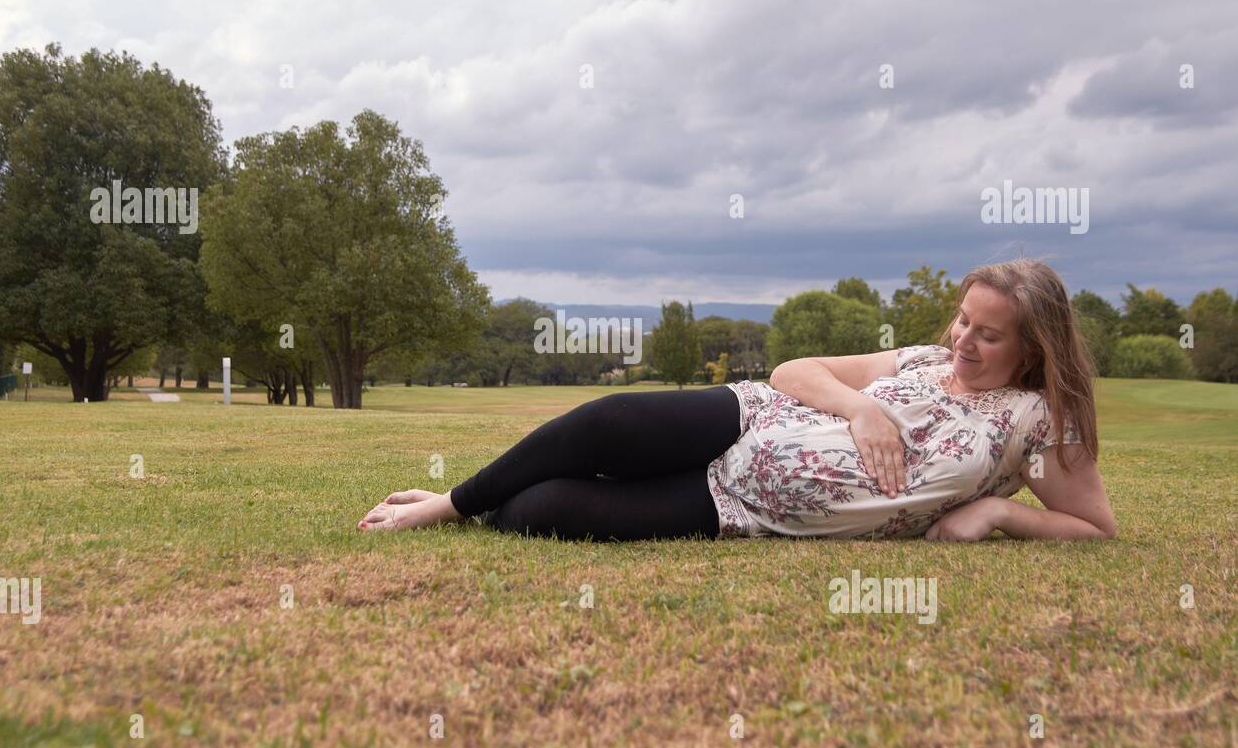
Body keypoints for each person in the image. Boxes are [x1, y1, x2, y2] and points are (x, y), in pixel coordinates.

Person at [358, 259, 1116, 542]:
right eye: (962, 320)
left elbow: (1093, 526)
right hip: (752, 416)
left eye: (988, 336)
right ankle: (444, 505)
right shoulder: (917, 357)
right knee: (609, 422)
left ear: (1034, 349)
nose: (962, 342)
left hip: (746, 507)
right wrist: (862, 407)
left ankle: (488, 503)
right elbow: (795, 368)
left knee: (539, 516)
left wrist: (1000, 513)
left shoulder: (1039, 421)